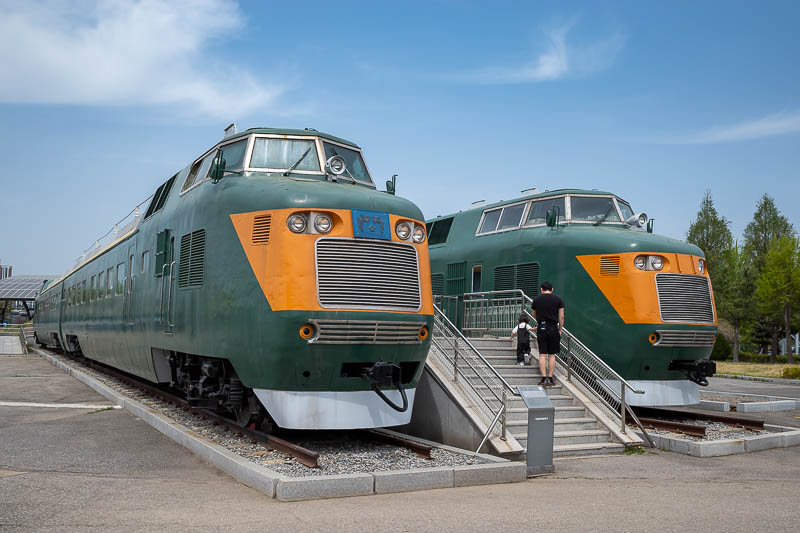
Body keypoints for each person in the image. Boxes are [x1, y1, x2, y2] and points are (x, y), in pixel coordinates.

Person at [531, 281, 564, 386]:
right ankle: (550, 378)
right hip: (553, 327)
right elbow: (561, 317)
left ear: (541, 289)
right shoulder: (558, 300)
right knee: (552, 355)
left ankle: (543, 378)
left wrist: (541, 322)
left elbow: (533, 314)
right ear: (552, 289)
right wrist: (560, 329)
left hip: (542, 327)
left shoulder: (536, 300)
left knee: (542, 354)